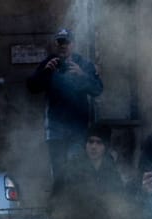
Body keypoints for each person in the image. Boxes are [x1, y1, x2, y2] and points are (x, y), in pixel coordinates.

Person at [25, 29, 103, 183]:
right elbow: (32, 87)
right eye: (60, 42)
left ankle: (76, 204)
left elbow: (98, 89)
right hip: (55, 130)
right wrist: (46, 72)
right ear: (56, 44)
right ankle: (60, 205)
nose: (63, 46)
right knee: (59, 172)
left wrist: (82, 75)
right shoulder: (50, 63)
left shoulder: (83, 63)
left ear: (73, 44)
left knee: (77, 170)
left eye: (66, 42)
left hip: (78, 130)